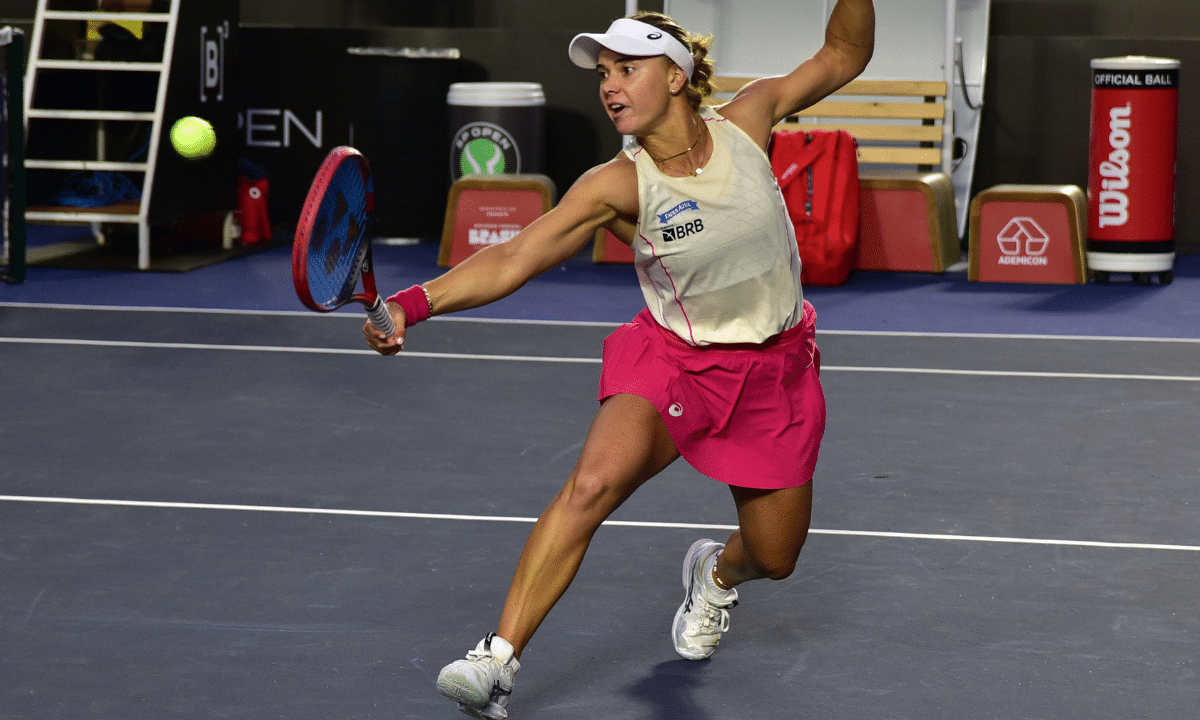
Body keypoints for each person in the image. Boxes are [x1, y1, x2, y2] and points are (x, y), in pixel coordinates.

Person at [364, 4, 874, 717]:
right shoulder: (617, 184)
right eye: (603, 73)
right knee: (592, 485)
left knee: (775, 557)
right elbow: (518, 254)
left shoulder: (751, 120)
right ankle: (496, 662)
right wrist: (411, 305)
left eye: (626, 69)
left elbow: (844, 53)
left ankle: (715, 574)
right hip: (672, 360)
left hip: (774, 373)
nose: (608, 86)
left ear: (675, 75)